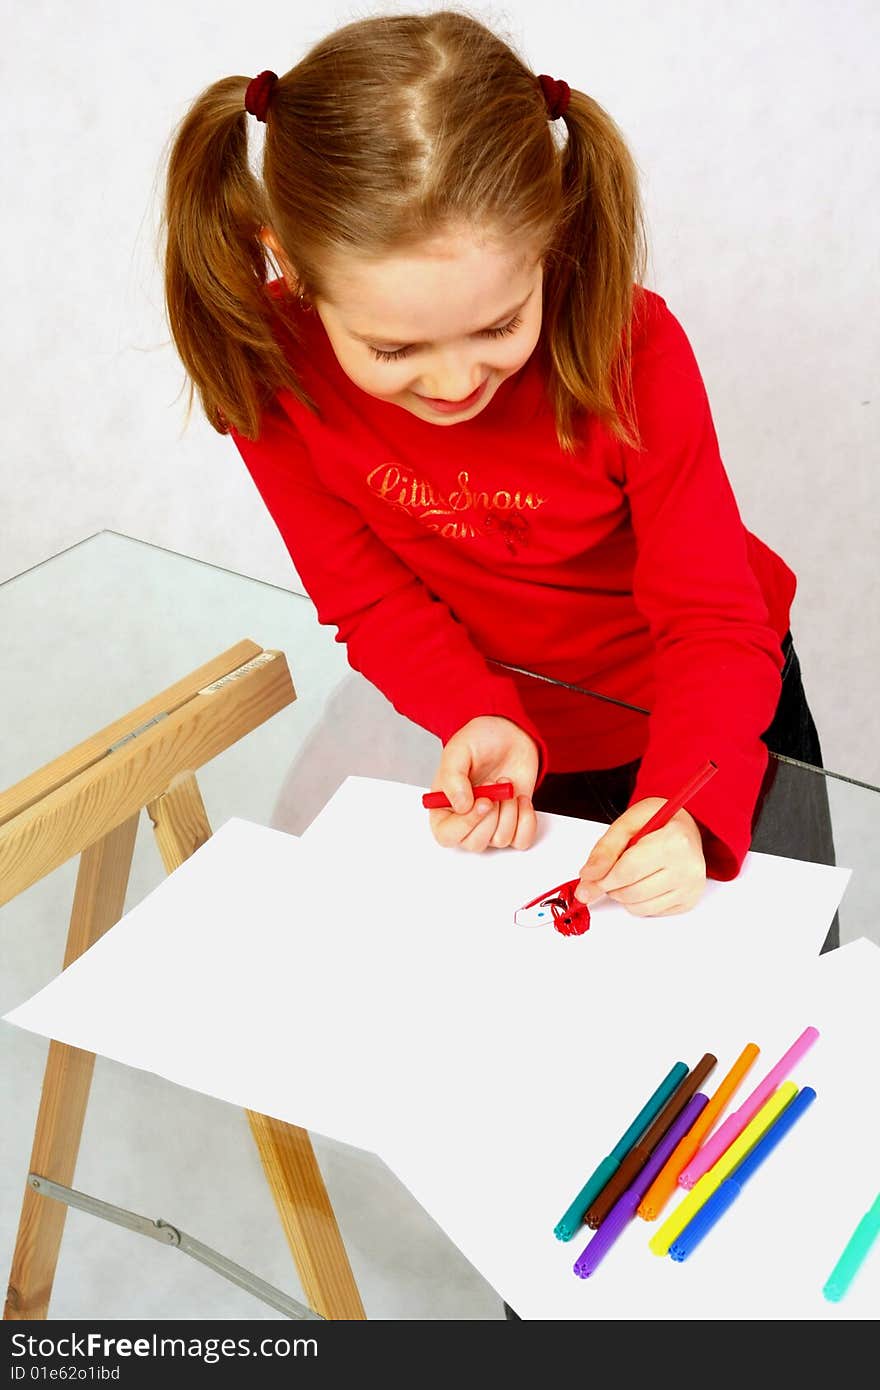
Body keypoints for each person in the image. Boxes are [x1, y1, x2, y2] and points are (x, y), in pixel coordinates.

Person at [160, 9, 837, 931]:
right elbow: (369, 599)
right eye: (394, 349)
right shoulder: (272, 377)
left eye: (497, 327)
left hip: (715, 724)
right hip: (525, 744)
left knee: (773, 1014)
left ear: (547, 243)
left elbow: (714, 616)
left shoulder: (631, 346)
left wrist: (684, 802)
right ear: (293, 266)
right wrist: (470, 713)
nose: (454, 382)